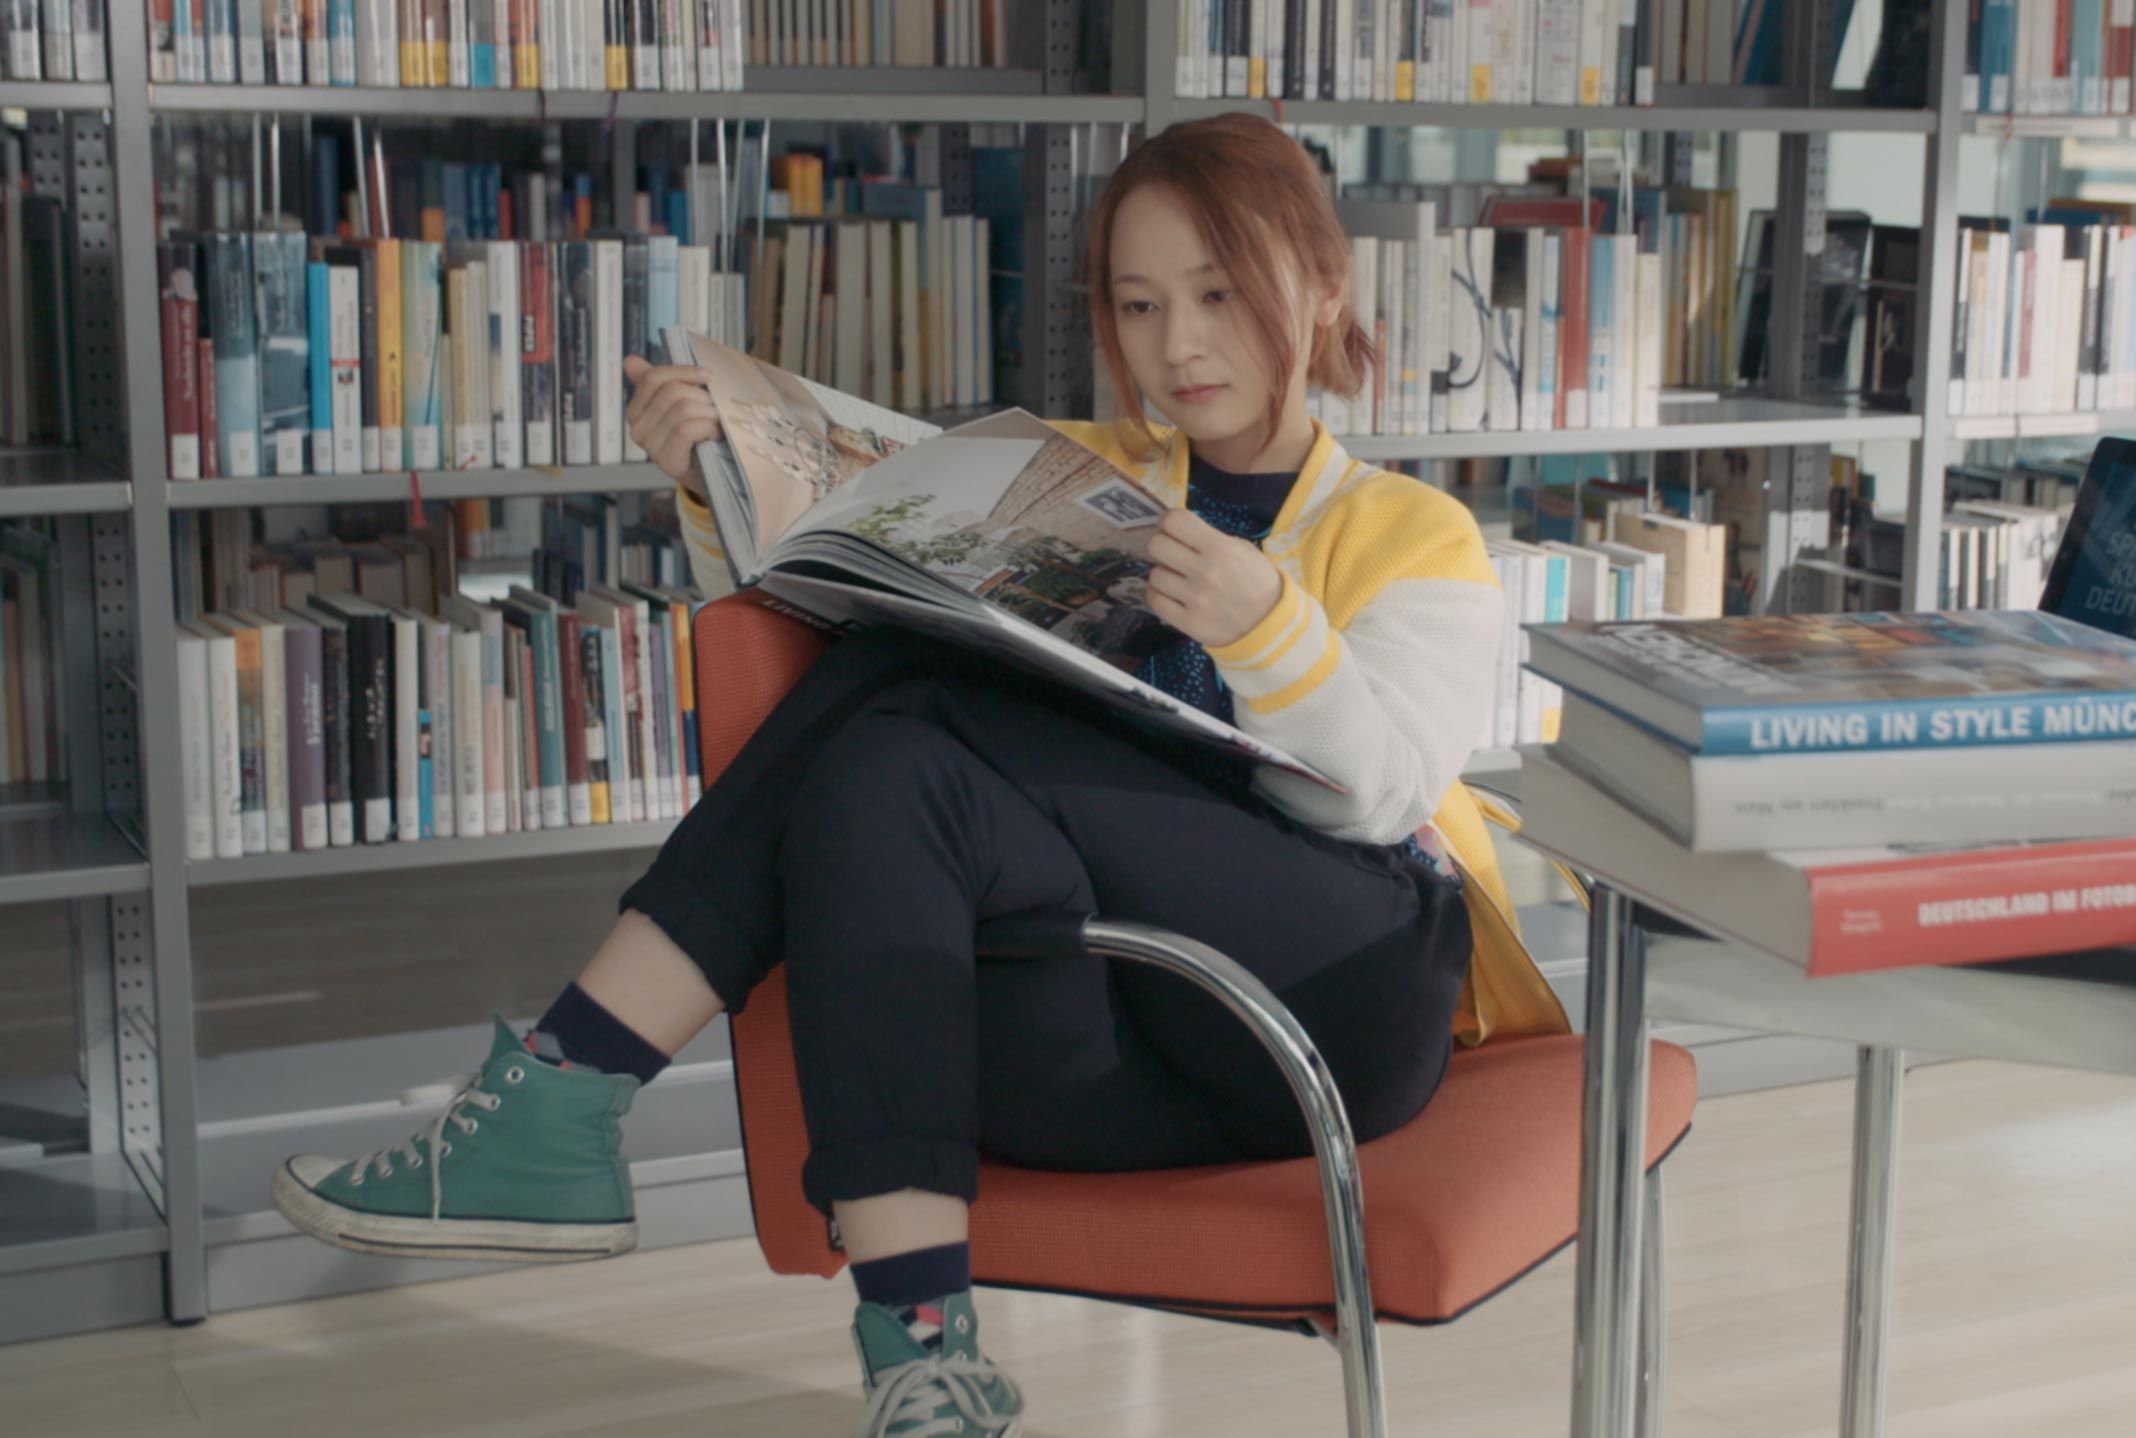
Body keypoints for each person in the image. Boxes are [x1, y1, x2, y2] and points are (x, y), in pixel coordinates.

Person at [267, 114, 1567, 1438]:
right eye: (1139, 304)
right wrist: (724, 482)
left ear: (1323, 285)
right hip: (1109, 1035)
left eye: (1219, 294)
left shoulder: (1413, 530)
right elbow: (824, 693)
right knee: (884, 747)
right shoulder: (1072, 473)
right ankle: (923, 1366)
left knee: (907, 687)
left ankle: (565, 1087)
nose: (1178, 343)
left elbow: (1384, 795)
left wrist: (1269, 628)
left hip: (1335, 1003)